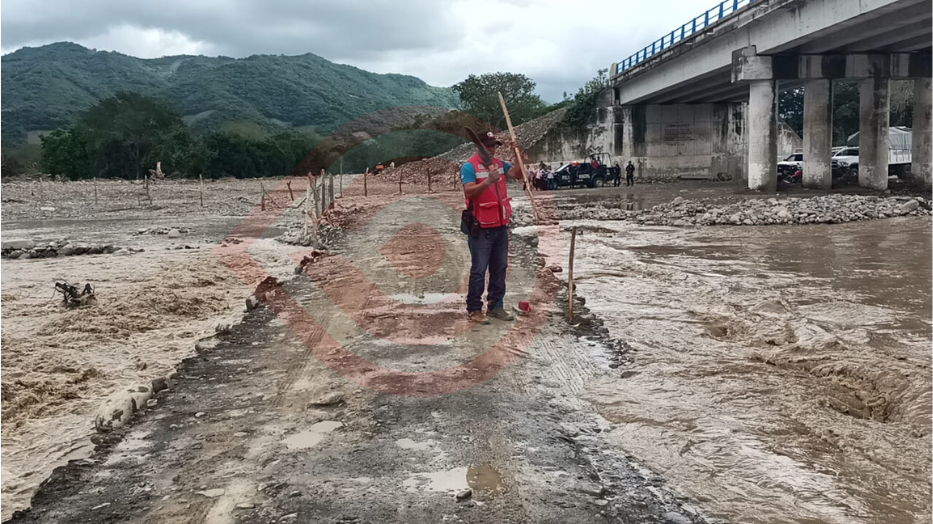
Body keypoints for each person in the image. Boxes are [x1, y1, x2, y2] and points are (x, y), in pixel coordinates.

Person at [460, 130, 525, 324]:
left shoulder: (500, 165)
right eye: (488, 146)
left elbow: (518, 174)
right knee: (479, 269)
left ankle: (496, 307)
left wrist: (518, 155)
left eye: (494, 145)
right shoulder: (469, 167)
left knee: (500, 268)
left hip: (500, 226)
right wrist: (488, 181)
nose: (492, 149)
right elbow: (469, 192)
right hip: (480, 228)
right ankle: (474, 309)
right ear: (478, 147)